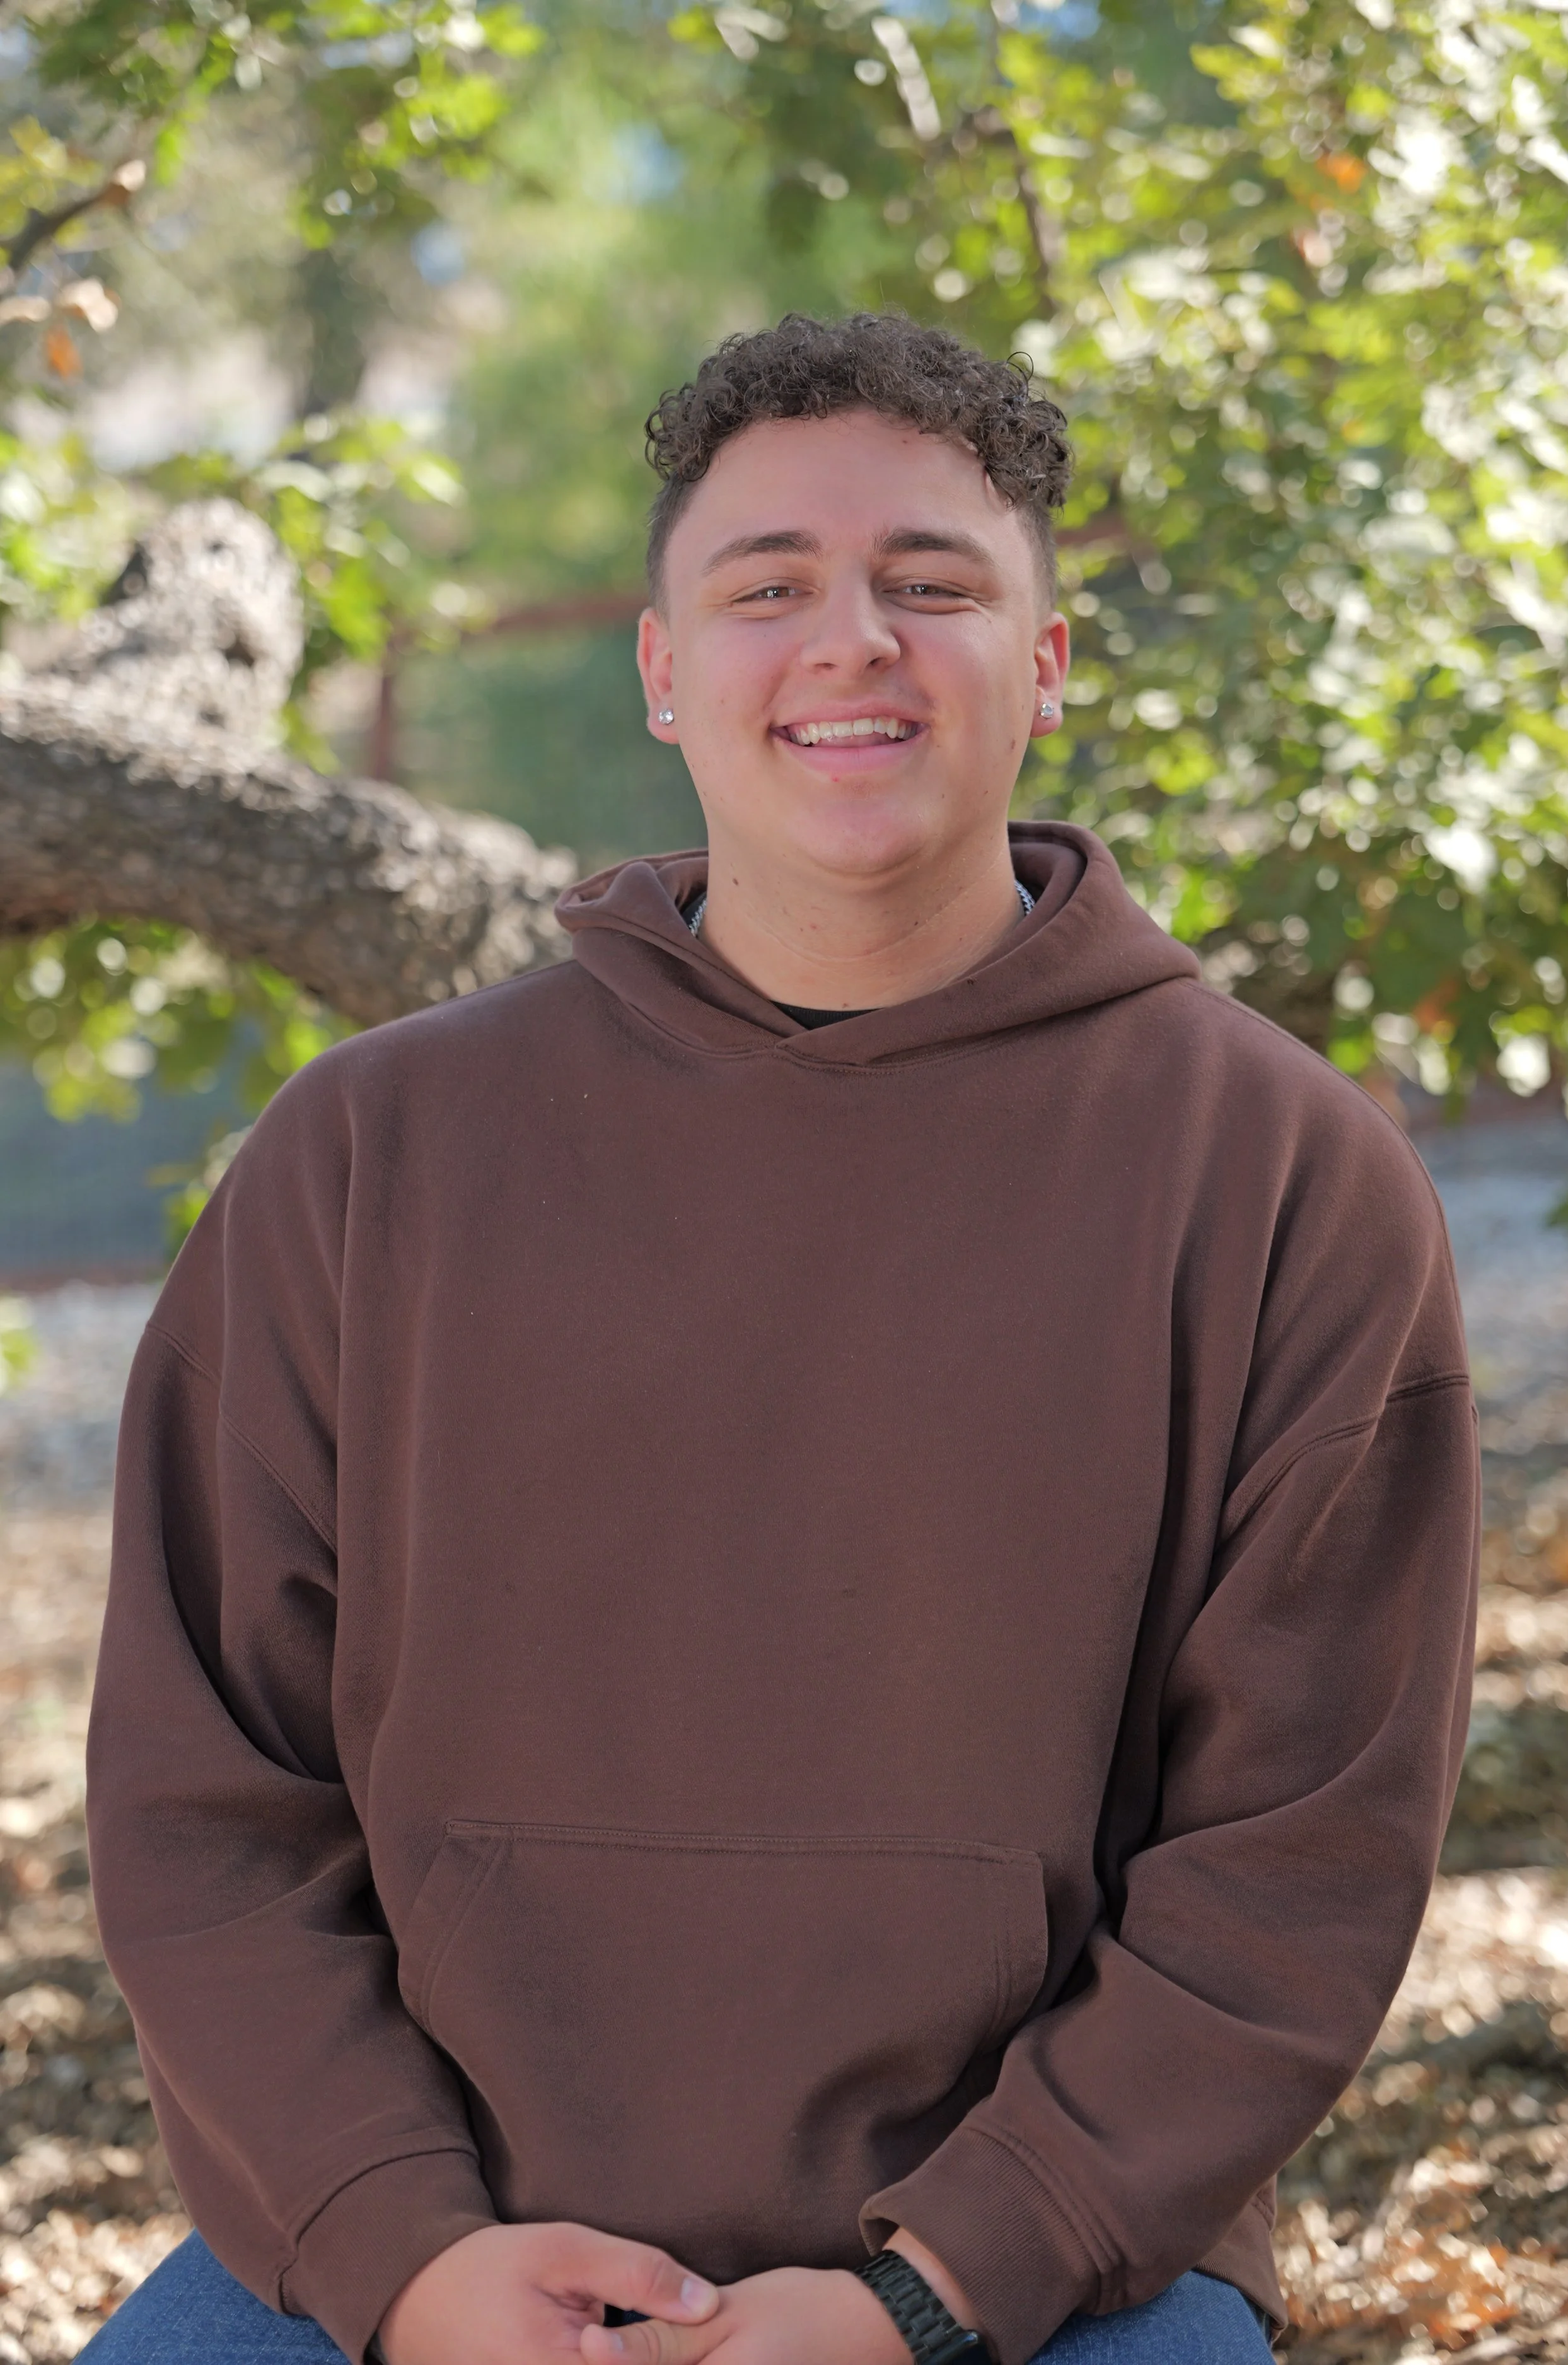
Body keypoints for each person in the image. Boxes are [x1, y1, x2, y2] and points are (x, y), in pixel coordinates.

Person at [83, 312, 1478, 2365]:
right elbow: (206, 1794)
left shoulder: (1281, 1175)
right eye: (767, 588)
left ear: (1046, 662)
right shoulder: (369, 1154)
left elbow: (1298, 1861)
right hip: (425, 2240)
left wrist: (930, 2290)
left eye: (930, 582)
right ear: (661, 673)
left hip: (1047, 2275)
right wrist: (405, 2253)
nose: (852, 644)